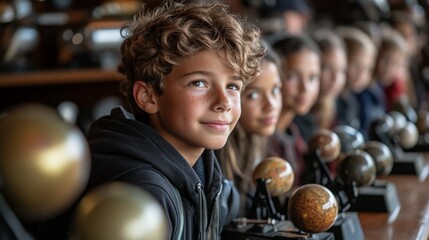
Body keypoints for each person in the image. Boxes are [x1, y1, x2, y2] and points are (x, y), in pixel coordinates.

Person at [83, 1, 265, 240]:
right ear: (148, 97)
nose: (224, 102)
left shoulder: (205, 174)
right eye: (199, 83)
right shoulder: (144, 194)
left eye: (232, 86)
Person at [217, 40, 283, 217]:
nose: (271, 105)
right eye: (254, 95)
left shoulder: (267, 144)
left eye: (275, 90)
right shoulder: (216, 164)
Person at [270, 34, 321, 186]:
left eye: (312, 77)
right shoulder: (262, 141)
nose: (305, 88)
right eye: (292, 76)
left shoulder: (295, 134)